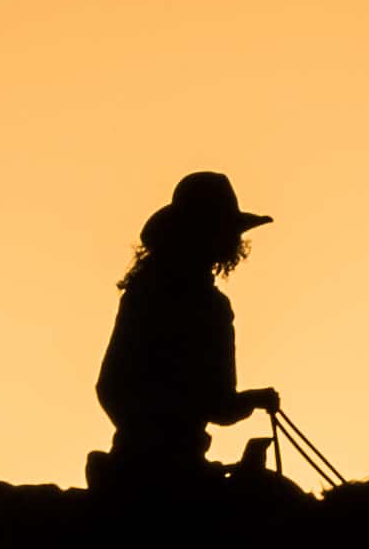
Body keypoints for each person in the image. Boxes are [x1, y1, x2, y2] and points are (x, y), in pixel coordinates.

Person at [94, 170, 283, 490]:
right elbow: (218, 404)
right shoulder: (211, 307)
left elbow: (108, 387)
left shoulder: (141, 292)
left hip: (126, 466)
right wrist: (255, 399)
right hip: (181, 473)